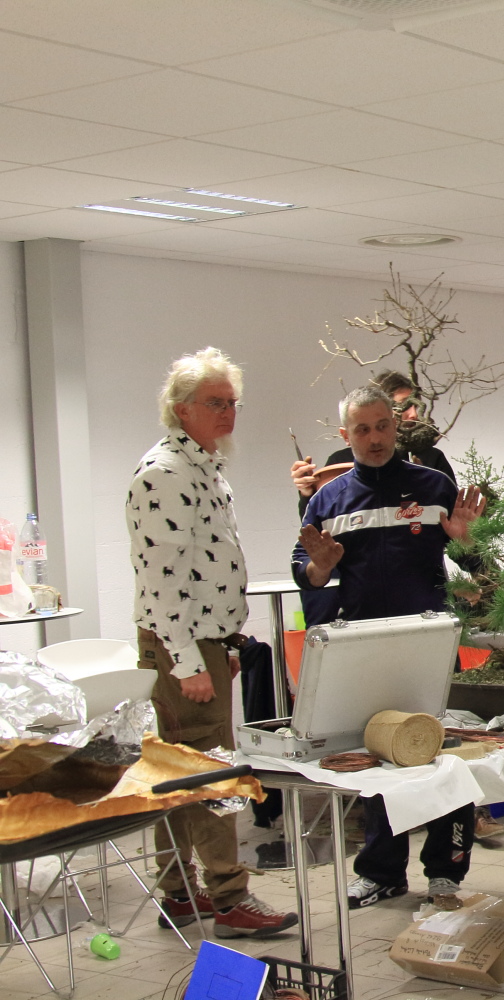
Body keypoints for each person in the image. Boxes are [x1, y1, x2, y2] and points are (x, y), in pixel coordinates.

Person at [292, 384, 487, 909]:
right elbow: (306, 571)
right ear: (346, 434)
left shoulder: (434, 485)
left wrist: (469, 543)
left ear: (396, 427)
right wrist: (320, 568)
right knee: (376, 760)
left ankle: (446, 872)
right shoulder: (327, 500)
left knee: (443, 756)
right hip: (365, 649)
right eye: (363, 429)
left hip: (431, 644)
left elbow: (477, 567)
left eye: (382, 426)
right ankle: (381, 873)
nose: (375, 438)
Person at [127, 347, 297, 939]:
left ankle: (180, 891)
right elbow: (161, 580)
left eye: (232, 403)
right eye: (215, 403)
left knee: (178, 768)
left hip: (204, 641)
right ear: (181, 408)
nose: (228, 413)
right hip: (182, 644)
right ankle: (229, 896)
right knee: (208, 771)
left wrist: (224, 644)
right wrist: (185, 661)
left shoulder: (203, 466)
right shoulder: (166, 473)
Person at [290, 369, 455, 515]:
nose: (413, 414)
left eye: (415, 406)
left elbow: (453, 521)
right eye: (404, 406)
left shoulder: (432, 459)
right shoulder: (340, 462)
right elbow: (316, 526)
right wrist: (307, 493)